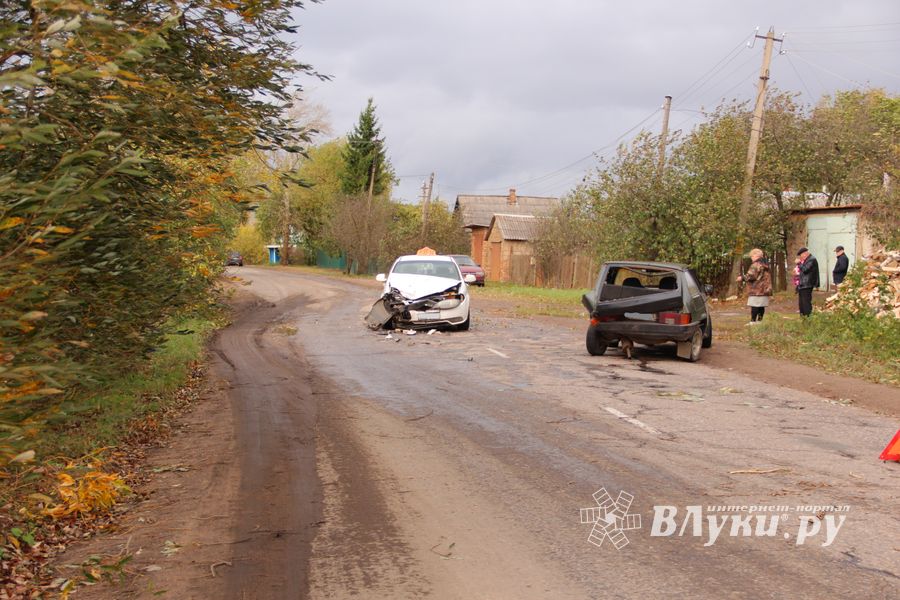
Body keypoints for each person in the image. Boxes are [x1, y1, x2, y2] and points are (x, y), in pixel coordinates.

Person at [736, 248, 772, 323]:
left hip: (756, 289)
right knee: (761, 306)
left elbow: (751, 276)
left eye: (752, 256)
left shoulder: (755, 265)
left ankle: (753, 322)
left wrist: (741, 278)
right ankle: (760, 321)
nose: (751, 258)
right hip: (765, 289)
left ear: (756, 255)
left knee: (754, 305)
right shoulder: (765, 264)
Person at [795, 247, 820, 317]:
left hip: (807, 284)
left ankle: (808, 318)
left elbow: (805, 270)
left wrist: (799, 263)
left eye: (801, 255)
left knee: (806, 303)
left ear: (805, 253)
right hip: (803, 285)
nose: (801, 257)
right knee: (801, 304)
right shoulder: (807, 260)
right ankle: (803, 318)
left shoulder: (812, 259)